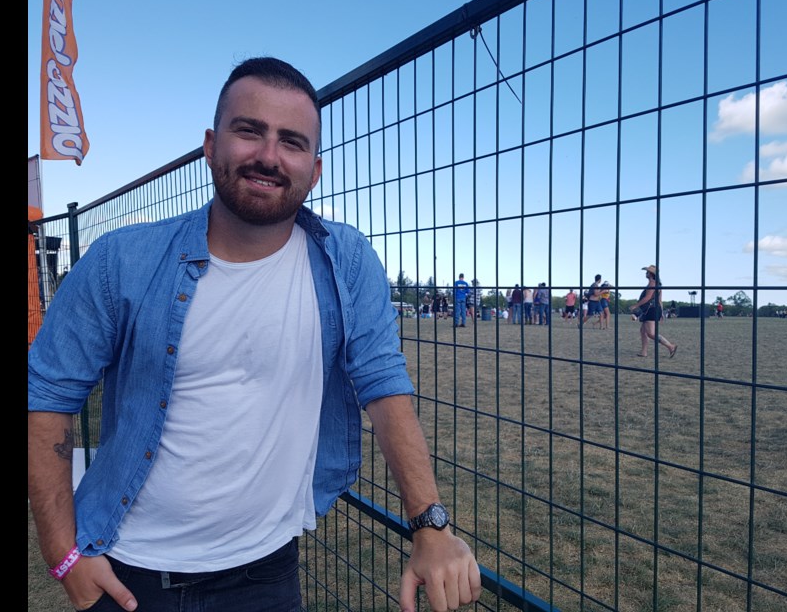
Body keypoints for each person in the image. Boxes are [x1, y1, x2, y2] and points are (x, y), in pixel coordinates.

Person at [27, 57, 481, 612]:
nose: (269, 155)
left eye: (292, 141)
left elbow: (384, 385)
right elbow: (49, 394)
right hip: (127, 573)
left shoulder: (347, 262)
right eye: (249, 131)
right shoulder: (121, 261)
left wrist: (430, 526)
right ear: (211, 146)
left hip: (265, 575)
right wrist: (61, 549)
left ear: (314, 171)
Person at [629, 265, 678, 358]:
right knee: (643, 331)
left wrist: (636, 305)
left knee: (651, 333)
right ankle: (644, 352)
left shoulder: (652, 283)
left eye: (647, 272)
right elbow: (660, 299)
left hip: (651, 309)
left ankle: (670, 346)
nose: (646, 273)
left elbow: (647, 298)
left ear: (651, 274)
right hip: (654, 309)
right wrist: (662, 312)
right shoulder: (657, 284)